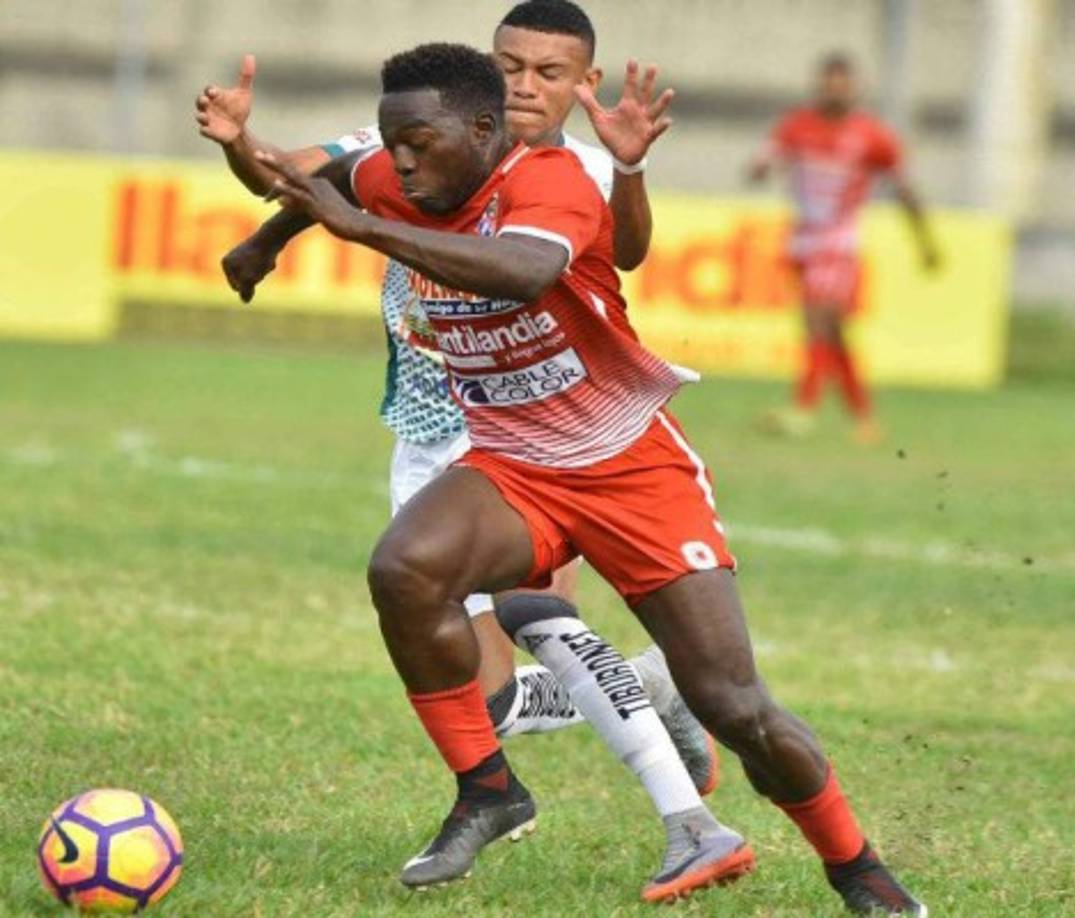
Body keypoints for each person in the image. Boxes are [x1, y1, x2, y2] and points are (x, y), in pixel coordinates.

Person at [226, 41, 926, 915]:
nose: (399, 162)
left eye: (418, 144)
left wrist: (362, 229)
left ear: (482, 132)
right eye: (391, 143)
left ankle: (855, 867)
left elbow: (526, 270)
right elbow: (323, 191)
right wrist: (264, 243)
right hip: (514, 468)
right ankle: (488, 791)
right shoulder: (402, 179)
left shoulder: (551, 179)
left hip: (628, 467)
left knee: (734, 706)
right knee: (405, 569)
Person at [202, 0, 731, 899]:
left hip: (531, 433)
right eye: (509, 65)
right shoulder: (422, 129)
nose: (525, 85)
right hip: (426, 424)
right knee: (485, 697)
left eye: (547, 73)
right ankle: (650, 690)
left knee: (537, 616)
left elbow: (630, 254)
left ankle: (692, 824)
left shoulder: (581, 167)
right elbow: (294, 179)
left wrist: (632, 166)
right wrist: (242, 161)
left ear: (583, 85)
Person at [749, 52, 940, 445]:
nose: (835, 90)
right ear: (820, 85)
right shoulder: (797, 126)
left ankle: (802, 409)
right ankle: (865, 418)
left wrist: (925, 241)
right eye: (828, 82)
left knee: (818, 320)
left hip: (838, 242)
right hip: (802, 240)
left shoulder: (872, 136)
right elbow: (764, 159)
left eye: (843, 83)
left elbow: (904, 189)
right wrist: (761, 166)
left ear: (855, 88)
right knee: (833, 332)